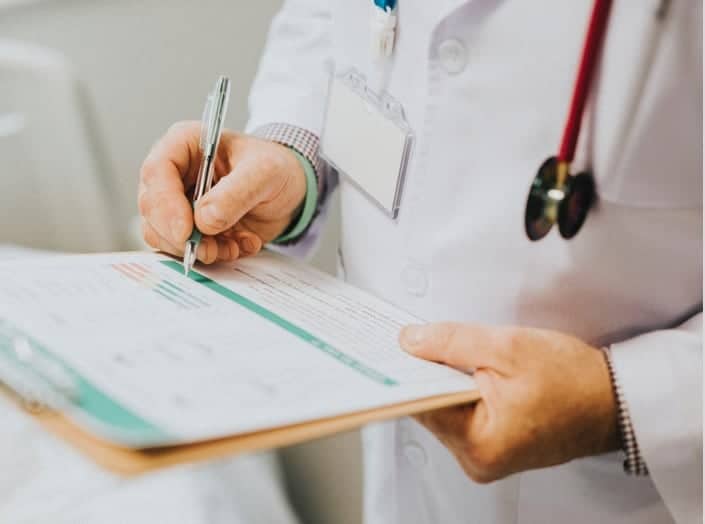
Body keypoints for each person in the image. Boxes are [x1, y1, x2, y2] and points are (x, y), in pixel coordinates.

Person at [137, 1, 702, 523]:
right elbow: (326, 16)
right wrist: (293, 154)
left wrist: (621, 399)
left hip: (628, 492)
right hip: (398, 454)